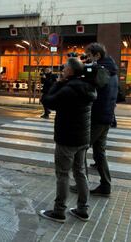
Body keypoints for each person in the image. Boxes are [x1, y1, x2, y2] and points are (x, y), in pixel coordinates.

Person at [38, 58, 97, 223]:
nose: (62, 70)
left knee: (63, 174)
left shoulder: (69, 89)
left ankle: (59, 211)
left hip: (67, 139)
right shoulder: (88, 86)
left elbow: (48, 101)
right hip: (83, 138)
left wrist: (58, 83)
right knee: (80, 172)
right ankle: (82, 210)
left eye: (64, 68)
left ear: (70, 71)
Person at [71, 43, 118, 196]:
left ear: (97, 55)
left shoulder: (101, 71)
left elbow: (92, 90)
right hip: (107, 116)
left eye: (90, 56)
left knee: (81, 149)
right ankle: (105, 186)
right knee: (99, 153)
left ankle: (81, 185)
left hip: (98, 117)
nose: (88, 59)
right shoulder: (112, 70)